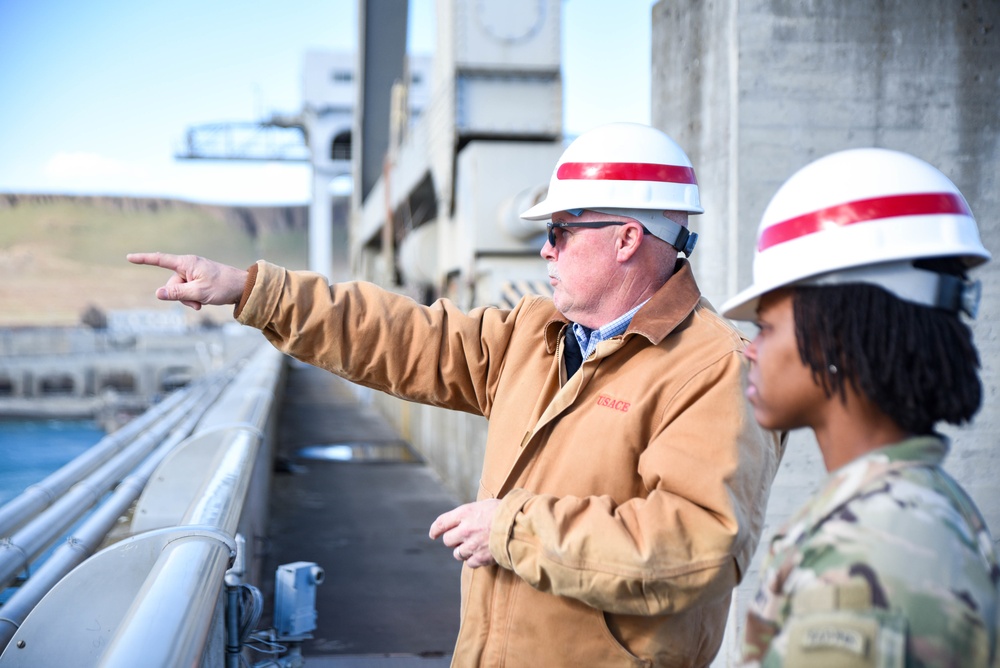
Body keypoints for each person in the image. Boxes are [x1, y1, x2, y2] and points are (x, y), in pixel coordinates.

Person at [129, 122, 784, 667]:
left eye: (558, 231)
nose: (544, 252)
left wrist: (513, 528)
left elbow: (694, 545)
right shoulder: (539, 333)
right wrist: (252, 291)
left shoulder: (712, 369)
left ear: (628, 238)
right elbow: (407, 339)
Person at [720, 147, 999, 666]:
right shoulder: (907, 510)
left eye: (767, 326)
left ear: (837, 337)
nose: (751, 349)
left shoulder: (873, 547)